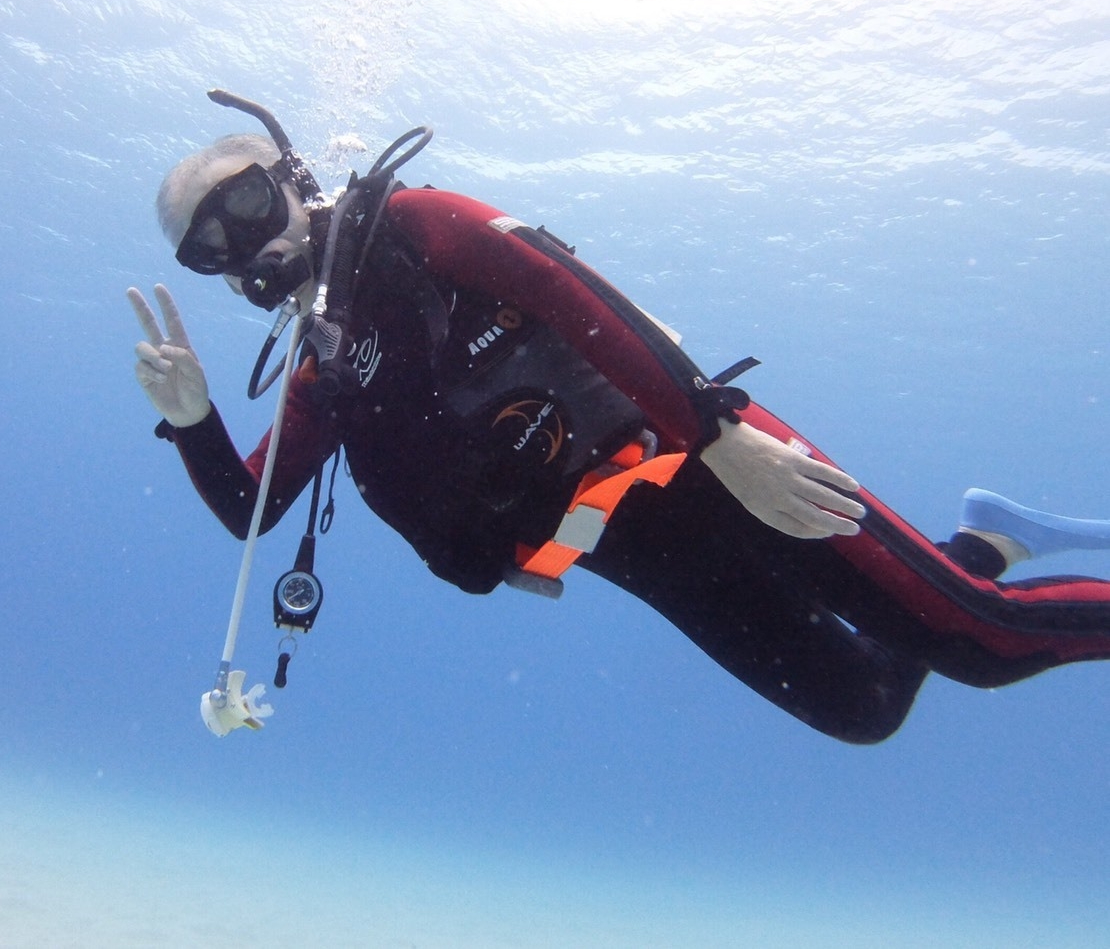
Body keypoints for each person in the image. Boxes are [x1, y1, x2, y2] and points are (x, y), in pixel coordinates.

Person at [129, 95, 1110, 744]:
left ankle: (972, 576)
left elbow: (583, 301)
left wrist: (722, 439)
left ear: (297, 178)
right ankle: (984, 538)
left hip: (712, 463)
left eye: (246, 203)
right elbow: (251, 509)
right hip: (645, 554)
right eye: (205, 244)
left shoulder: (420, 226)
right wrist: (195, 418)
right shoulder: (326, 369)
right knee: (858, 706)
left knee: (982, 647)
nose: (239, 242)